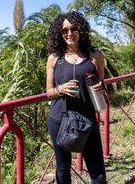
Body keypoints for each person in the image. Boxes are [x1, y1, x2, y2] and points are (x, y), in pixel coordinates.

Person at [46, 11, 107, 184]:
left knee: (99, 175)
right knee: (63, 169)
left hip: (86, 120)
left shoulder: (95, 56)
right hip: (59, 120)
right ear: (59, 33)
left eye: (73, 29)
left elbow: (102, 82)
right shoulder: (54, 59)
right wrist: (61, 89)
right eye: (64, 30)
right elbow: (49, 92)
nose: (69, 33)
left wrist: (102, 86)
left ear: (81, 30)